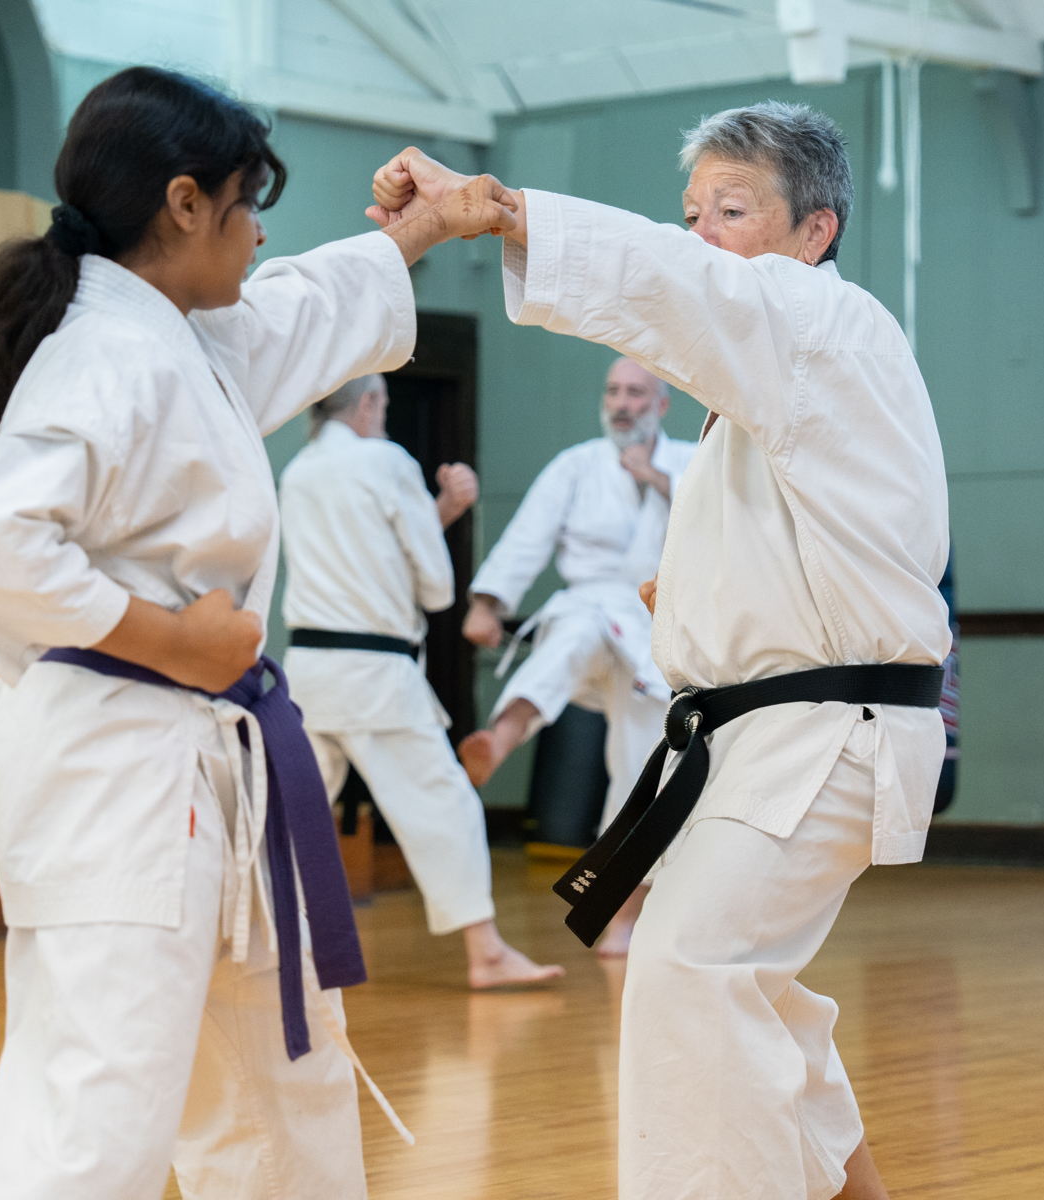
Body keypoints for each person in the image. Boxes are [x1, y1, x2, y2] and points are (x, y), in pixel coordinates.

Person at [0, 67, 515, 1200]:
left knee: (280, 1076)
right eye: (248, 203)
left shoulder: (190, 336)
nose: (258, 233)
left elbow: (304, 306)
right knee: (102, 1102)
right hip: (123, 770)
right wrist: (169, 642)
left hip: (205, 766)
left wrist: (425, 228)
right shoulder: (107, 354)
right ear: (185, 203)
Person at [369, 99, 950, 1200]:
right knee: (750, 993)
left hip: (818, 733)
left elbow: (676, 291)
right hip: (774, 735)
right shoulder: (770, 383)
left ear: (813, 231)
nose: (702, 234)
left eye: (733, 209)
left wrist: (494, 209)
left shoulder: (816, 320)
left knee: (690, 975)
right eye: (691, 212)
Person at [278, 374, 564, 989]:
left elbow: (367, 559)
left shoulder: (298, 471)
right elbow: (434, 586)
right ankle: (485, 952)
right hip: (375, 677)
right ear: (369, 404)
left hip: (308, 673)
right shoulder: (386, 460)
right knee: (445, 804)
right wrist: (445, 515)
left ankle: (255, 942)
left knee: (291, 812)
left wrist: (440, 510)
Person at [455, 356, 697, 956]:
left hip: (653, 633)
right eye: (613, 390)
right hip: (587, 606)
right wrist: (488, 602)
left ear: (662, 405)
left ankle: (621, 919)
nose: (622, 403)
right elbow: (527, 536)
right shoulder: (575, 466)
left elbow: (727, 530)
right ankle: (501, 737)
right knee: (567, 641)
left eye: (637, 393)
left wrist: (655, 479)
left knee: (643, 768)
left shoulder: (692, 464)